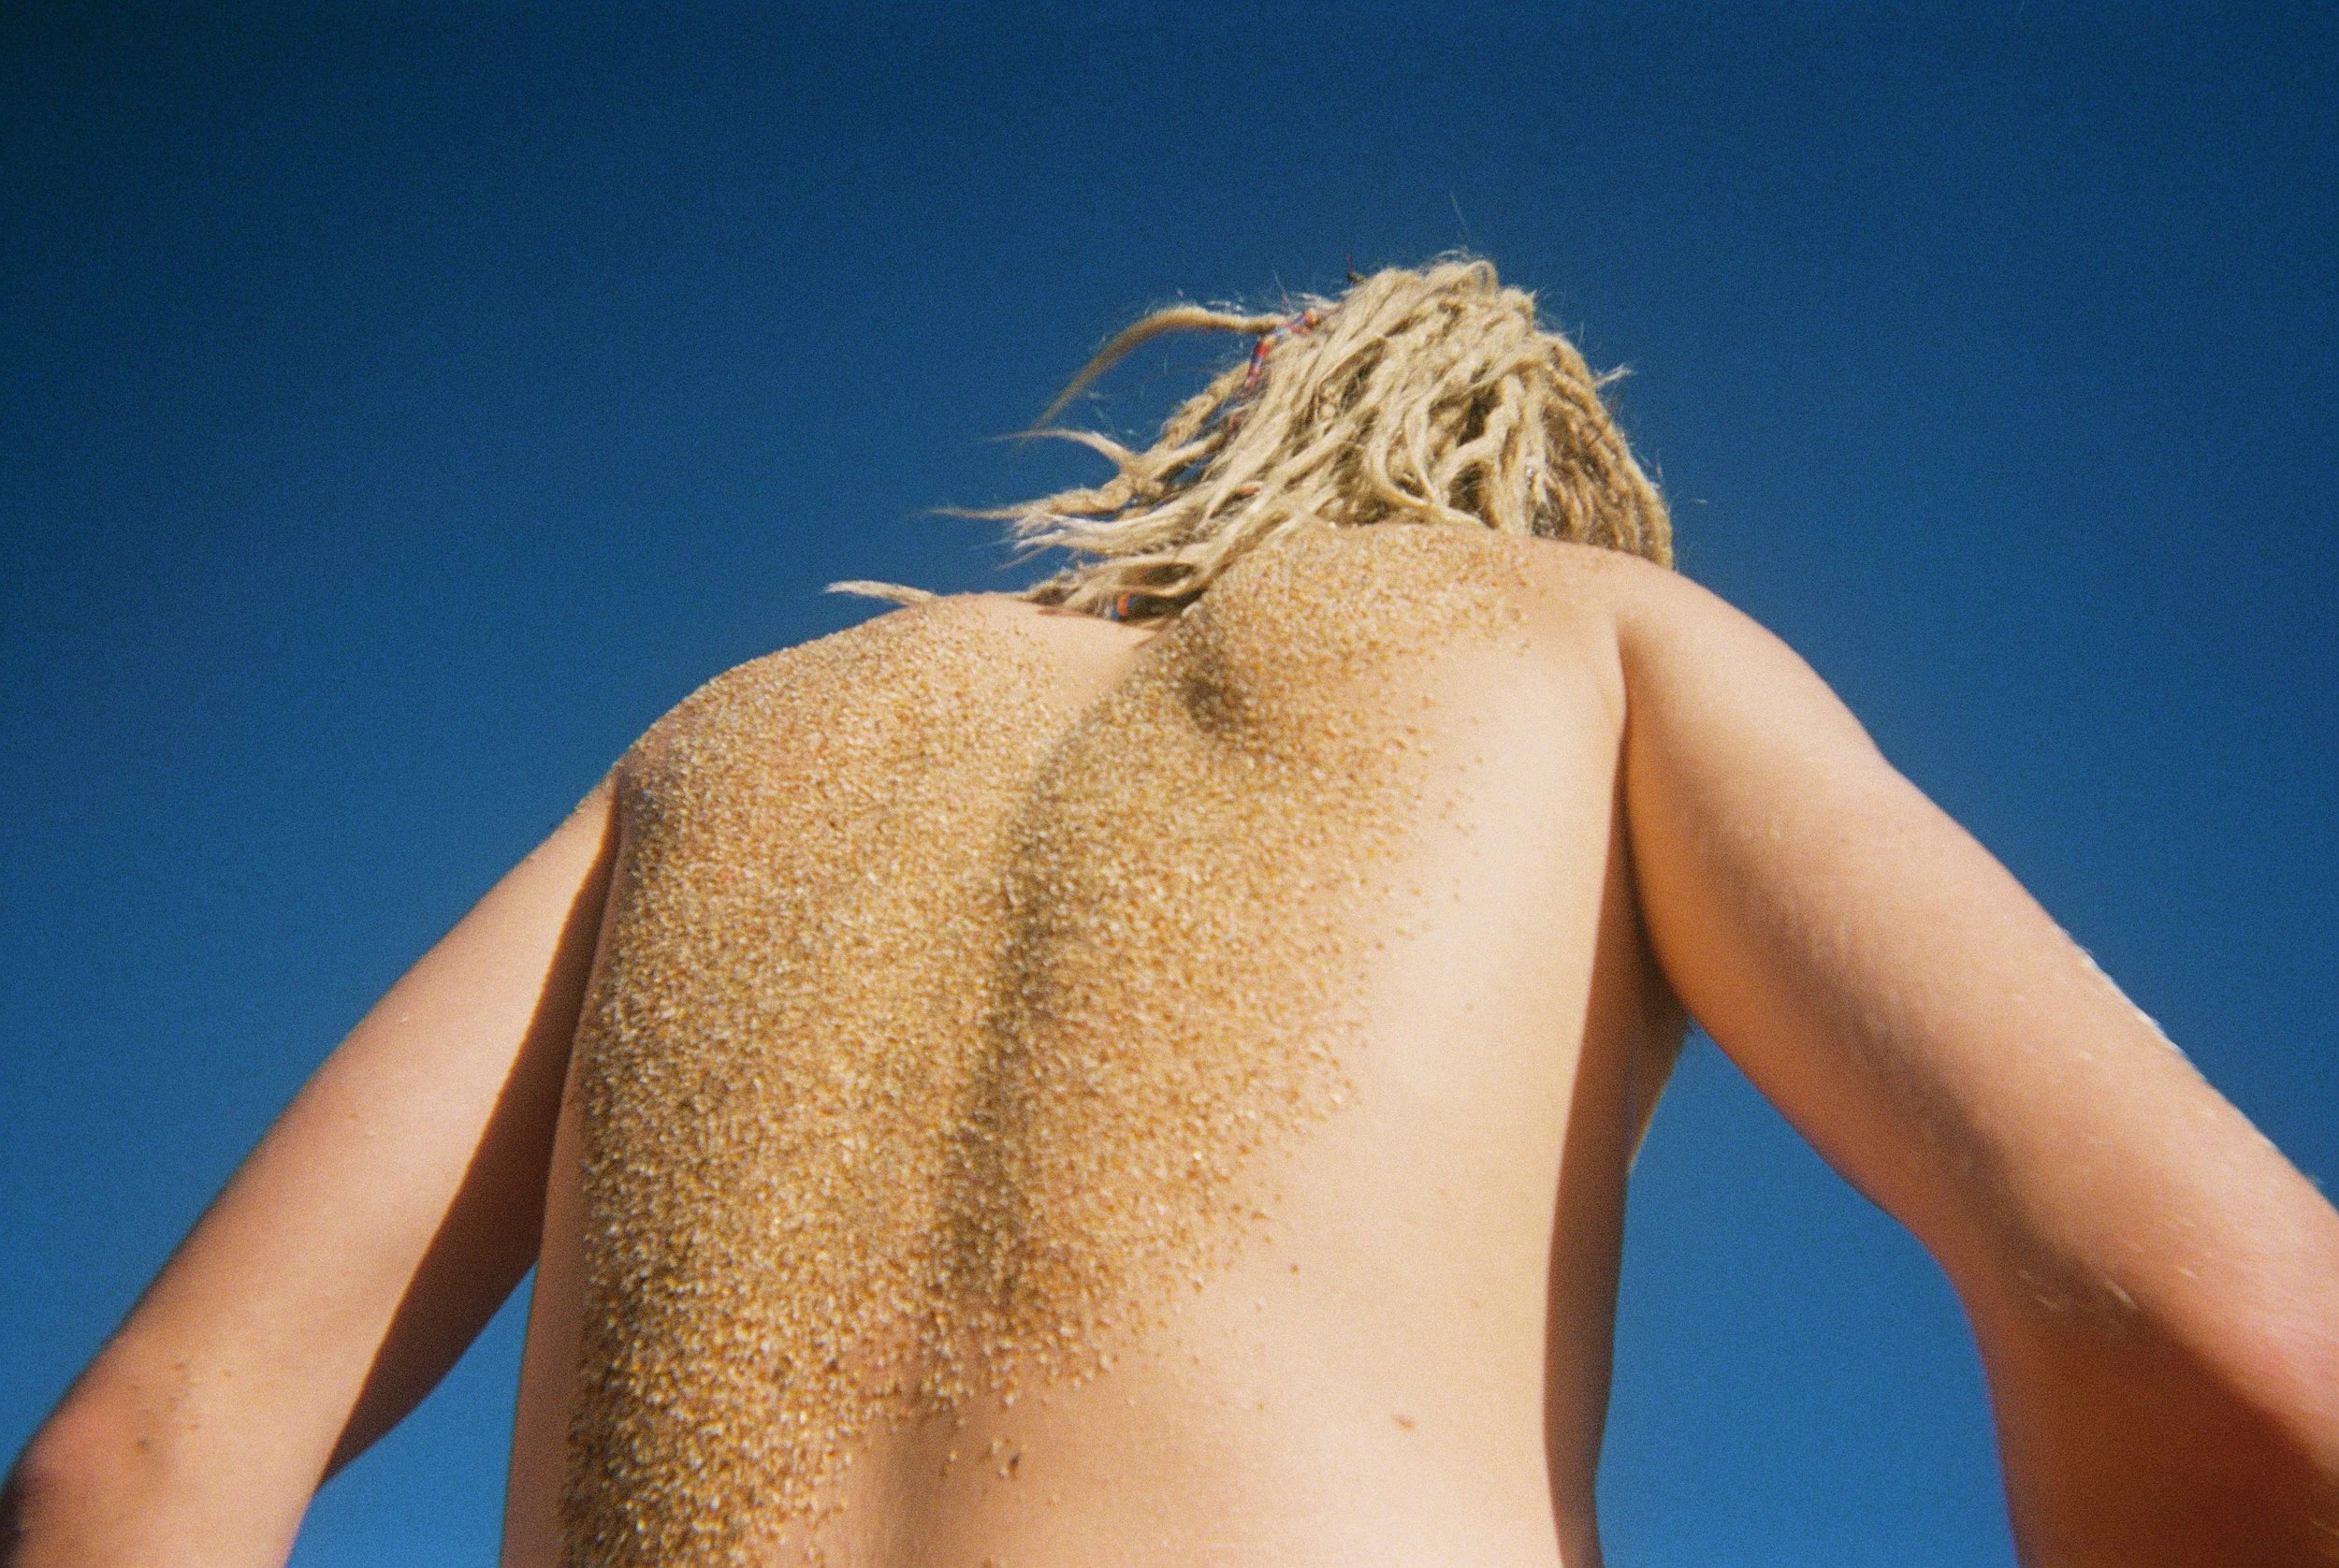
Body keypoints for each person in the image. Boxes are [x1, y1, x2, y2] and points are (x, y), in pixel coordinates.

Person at [7, 258, 2336, 1568]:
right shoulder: (1581, 643)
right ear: (1536, 491)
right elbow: (2229, 1334)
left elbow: (139, 1455)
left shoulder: (724, 744)